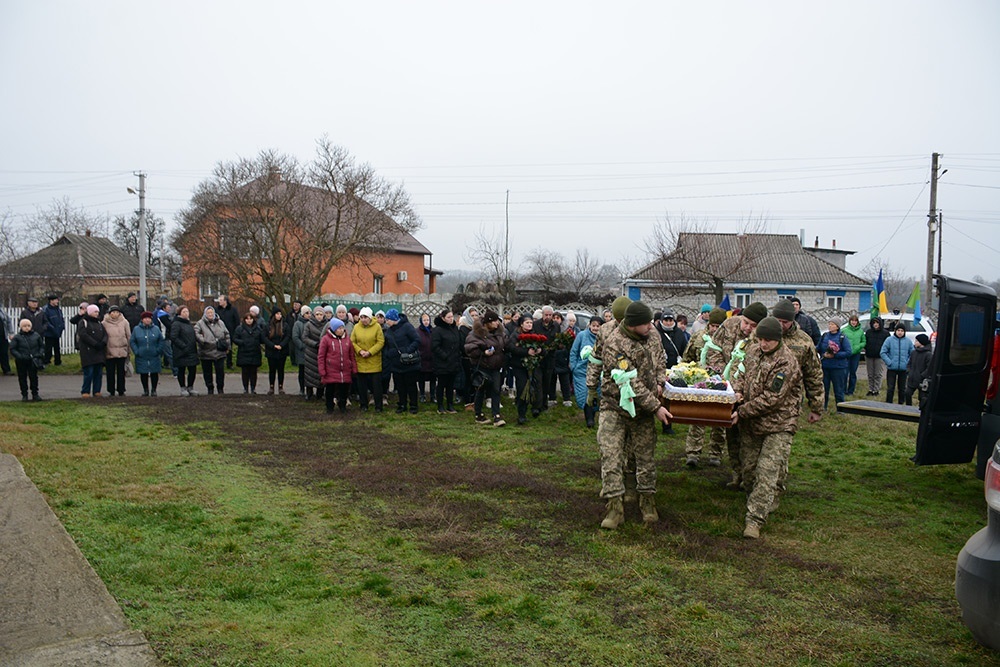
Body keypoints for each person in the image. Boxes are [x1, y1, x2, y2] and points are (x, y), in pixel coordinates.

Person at [588, 300, 671, 529]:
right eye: (646, 323)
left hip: (642, 411)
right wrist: (656, 407)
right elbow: (630, 383)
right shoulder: (615, 344)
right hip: (615, 406)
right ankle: (615, 507)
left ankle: (647, 501)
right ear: (633, 324)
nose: (651, 327)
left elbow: (661, 359)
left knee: (645, 457)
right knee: (611, 454)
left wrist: (661, 381)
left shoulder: (652, 334)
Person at [732, 317, 804, 539]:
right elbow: (742, 373)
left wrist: (742, 411)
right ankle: (764, 498)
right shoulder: (753, 351)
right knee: (750, 470)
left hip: (779, 423)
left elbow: (773, 398)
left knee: (767, 471)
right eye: (760, 339)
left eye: (768, 340)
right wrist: (737, 391)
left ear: (778, 339)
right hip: (753, 421)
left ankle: (754, 520)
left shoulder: (786, 362)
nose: (763, 344)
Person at [705, 301, 768, 487]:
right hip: (726, 389)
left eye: (753, 325)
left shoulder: (762, 337)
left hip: (749, 394)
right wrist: (723, 372)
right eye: (746, 322)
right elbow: (714, 349)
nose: (748, 328)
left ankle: (751, 477)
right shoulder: (729, 324)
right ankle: (737, 473)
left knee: (748, 438)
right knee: (731, 435)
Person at [681, 307, 728, 466]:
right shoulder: (699, 337)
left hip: (721, 386)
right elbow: (687, 358)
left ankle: (715, 453)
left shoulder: (727, 341)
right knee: (697, 418)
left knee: (720, 421)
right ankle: (693, 453)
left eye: (718, 326)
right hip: (700, 384)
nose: (715, 329)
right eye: (713, 325)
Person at [770, 299, 825, 425]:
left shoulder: (803, 341)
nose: (781, 325)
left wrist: (816, 407)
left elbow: (814, 374)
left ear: (792, 321)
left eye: (785, 322)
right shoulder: (761, 335)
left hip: (789, 402)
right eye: (778, 321)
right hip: (759, 402)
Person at [464, 310, 507, 426]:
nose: (497, 323)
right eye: (494, 321)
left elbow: (505, 344)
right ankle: (478, 414)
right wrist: (482, 352)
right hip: (483, 366)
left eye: (497, 321)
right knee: (481, 389)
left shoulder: (500, 332)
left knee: (496, 389)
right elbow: (469, 348)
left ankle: (496, 415)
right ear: (488, 322)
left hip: (496, 366)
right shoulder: (476, 333)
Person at [507, 314, 544, 425]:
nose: (529, 325)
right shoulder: (516, 334)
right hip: (519, 366)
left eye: (531, 323)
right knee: (522, 388)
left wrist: (539, 351)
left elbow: (543, 348)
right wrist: (525, 352)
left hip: (533, 366)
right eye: (527, 322)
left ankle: (535, 407)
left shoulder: (534, 334)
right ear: (521, 324)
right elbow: (511, 348)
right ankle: (521, 414)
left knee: (536, 385)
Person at [384, 308, 422, 414]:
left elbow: (417, 340)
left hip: (409, 362)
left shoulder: (407, 327)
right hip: (396, 363)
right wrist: (388, 354)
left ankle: (413, 405)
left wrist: (407, 351)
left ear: (394, 319)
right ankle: (402, 404)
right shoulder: (389, 331)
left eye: (388, 319)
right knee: (400, 386)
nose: (386, 322)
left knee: (411, 385)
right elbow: (387, 345)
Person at [318, 317, 357, 414]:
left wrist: (354, 367)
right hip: (331, 370)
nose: (341, 330)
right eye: (338, 328)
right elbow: (321, 356)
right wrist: (322, 370)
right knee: (330, 390)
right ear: (334, 329)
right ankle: (329, 406)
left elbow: (351, 355)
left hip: (345, 370)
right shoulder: (325, 339)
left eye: (342, 328)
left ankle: (342, 405)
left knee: (344, 390)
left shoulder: (347, 340)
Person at [570, 315, 603, 428]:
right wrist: (573, 367)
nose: (595, 328)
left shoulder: (604, 338)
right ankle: (588, 418)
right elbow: (574, 351)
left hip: (598, 371)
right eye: (593, 325)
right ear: (589, 325)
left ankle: (591, 418)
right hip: (581, 371)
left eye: (598, 326)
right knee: (584, 394)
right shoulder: (581, 336)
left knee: (595, 394)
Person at [351, 306, 385, 412]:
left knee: (376, 386)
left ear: (370, 317)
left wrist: (370, 352)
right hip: (361, 360)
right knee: (361, 385)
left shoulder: (377, 327)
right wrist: (360, 351)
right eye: (361, 317)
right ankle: (363, 405)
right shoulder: (356, 327)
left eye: (365, 317)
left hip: (373, 360)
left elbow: (380, 342)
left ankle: (378, 406)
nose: (363, 319)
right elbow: (352, 341)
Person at [430, 309, 461, 414]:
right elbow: (434, 346)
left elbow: (458, 343)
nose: (451, 319)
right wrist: (444, 356)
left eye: (452, 317)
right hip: (442, 363)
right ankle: (440, 406)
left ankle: (450, 404)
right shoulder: (437, 330)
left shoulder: (454, 328)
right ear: (443, 318)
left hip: (454, 361)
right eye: (448, 317)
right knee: (442, 384)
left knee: (451, 385)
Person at [194, 306, 230, 394]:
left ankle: (220, 388)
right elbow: (196, 333)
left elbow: (227, 334)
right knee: (207, 372)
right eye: (208, 313)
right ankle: (210, 388)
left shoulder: (220, 323)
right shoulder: (200, 323)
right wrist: (204, 341)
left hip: (219, 352)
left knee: (220, 372)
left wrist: (228, 346)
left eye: (212, 313)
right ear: (205, 314)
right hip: (206, 352)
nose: (210, 314)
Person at [819, 317, 852, 411]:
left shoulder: (842, 338)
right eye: (829, 324)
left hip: (838, 368)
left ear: (837, 326)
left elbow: (848, 352)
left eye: (832, 324)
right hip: (825, 366)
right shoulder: (825, 336)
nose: (830, 326)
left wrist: (835, 355)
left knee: (839, 389)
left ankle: (841, 409)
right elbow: (819, 347)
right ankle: (823, 407)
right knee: (824, 389)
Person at [130, 311, 164, 396]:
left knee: (154, 373)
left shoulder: (156, 329)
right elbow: (132, 341)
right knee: (143, 373)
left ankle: (154, 390)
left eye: (149, 318)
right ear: (142, 320)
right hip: (142, 355)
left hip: (154, 355)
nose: (147, 320)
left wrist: (158, 350)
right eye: (145, 318)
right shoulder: (136, 329)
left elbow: (161, 340)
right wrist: (137, 351)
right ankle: (145, 390)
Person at [10, 318, 44, 401]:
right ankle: (24, 394)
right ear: (21, 327)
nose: (27, 328)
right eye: (24, 326)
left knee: (34, 377)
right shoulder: (17, 337)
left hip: (33, 360)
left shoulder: (36, 335)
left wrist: (38, 354)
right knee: (22, 377)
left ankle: (35, 394)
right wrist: (20, 356)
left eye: (28, 326)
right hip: (21, 361)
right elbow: (13, 349)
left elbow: (42, 346)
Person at [78, 304, 108, 397]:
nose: (97, 313)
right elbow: (83, 335)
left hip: (99, 351)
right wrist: (95, 343)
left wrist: (103, 342)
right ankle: (85, 391)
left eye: (98, 312)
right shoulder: (83, 322)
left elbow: (105, 334)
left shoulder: (99, 323)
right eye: (95, 312)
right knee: (89, 373)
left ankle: (97, 391)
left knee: (98, 373)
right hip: (88, 352)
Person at [880, 323, 913, 405]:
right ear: (895, 331)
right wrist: (889, 362)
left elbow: (912, 354)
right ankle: (888, 404)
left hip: (903, 369)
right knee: (890, 388)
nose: (900, 332)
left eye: (902, 331)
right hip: (892, 368)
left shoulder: (908, 341)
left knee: (902, 388)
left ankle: (901, 404)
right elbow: (883, 352)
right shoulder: (889, 340)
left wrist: (907, 363)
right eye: (898, 330)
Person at [103, 305, 132, 397]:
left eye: (117, 312)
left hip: (121, 350)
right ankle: (111, 390)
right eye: (113, 312)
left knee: (121, 372)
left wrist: (128, 349)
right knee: (110, 372)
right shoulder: (104, 323)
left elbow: (128, 336)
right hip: (109, 351)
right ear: (109, 313)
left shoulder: (124, 322)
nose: (115, 314)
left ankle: (121, 389)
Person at [233, 311, 265, 394]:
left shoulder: (258, 329)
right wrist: (242, 342)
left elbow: (262, 339)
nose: (249, 320)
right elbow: (235, 338)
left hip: (255, 353)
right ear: (244, 320)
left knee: (253, 372)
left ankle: (253, 388)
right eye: (247, 319)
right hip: (244, 353)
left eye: (250, 319)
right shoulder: (239, 329)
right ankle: (245, 388)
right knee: (245, 372)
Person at [170, 306, 199, 396]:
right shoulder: (176, 323)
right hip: (181, 351)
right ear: (179, 313)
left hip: (191, 351)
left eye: (187, 311)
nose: (186, 313)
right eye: (184, 312)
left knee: (192, 369)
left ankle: (190, 387)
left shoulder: (189, 323)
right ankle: (182, 387)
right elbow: (174, 337)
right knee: (181, 370)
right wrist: (183, 346)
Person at [533, 306, 559, 407]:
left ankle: (544, 404)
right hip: (538, 358)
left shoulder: (556, 326)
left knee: (546, 383)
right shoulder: (536, 325)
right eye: (546, 315)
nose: (547, 317)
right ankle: (536, 406)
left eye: (550, 315)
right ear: (542, 315)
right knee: (538, 382)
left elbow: (557, 339)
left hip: (550, 358)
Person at [302, 307, 328, 400]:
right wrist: (315, 344)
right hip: (311, 352)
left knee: (321, 372)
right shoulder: (308, 325)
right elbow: (305, 338)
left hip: (323, 351)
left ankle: (320, 394)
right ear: (314, 315)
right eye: (317, 314)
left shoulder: (327, 324)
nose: (319, 316)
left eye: (321, 314)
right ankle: (309, 393)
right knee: (309, 373)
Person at [264, 308, 292, 394]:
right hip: (271, 350)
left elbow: (288, 336)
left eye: (280, 314)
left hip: (281, 350)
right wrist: (273, 346)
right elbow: (264, 337)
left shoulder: (285, 325)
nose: (279, 316)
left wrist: (281, 345)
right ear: (273, 315)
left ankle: (281, 386)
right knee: (272, 370)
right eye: (277, 314)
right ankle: (271, 386)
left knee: (281, 369)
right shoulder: (268, 325)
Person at [904, 333, 933, 407]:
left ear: (921, 343)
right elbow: (909, 363)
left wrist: (922, 375)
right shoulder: (914, 352)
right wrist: (909, 371)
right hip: (912, 379)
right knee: (907, 393)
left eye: (917, 341)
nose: (915, 342)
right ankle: (908, 408)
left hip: (922, 380)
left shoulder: (928, 354)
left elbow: (929, 368)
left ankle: (921, 410)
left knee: (922, 397)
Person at [864, 316, 890, 396]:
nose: (875, 324)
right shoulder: (868, 332)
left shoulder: (885, 333)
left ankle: (876, 390)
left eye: (877, 323)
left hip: (879, 357)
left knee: (878, 374)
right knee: (870, 374)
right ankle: (870, 389)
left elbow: (888, 345)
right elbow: (865, 343)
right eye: (874, 323)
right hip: (869, 356)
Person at [841, 314, 866, 396]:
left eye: (855, 321)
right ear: (850, 321)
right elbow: (840, 340)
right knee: (845, 373)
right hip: (846, 354)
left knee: (853, 373)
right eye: (852, 321)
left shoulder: (861, 331)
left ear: (857, 322)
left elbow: (864, 342)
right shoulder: (844, 330)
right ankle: (843, 390)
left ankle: (851, 391)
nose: (854, 322)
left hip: (856, 354)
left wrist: (858, 346)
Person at [291, 305, 311, 395]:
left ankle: (309, 390)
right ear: (303, 314)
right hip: (301, 351)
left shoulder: (312, 323)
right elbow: (295, 337)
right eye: (307, 313)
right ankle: (302, 389)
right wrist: (302, 346)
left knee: (310, 372)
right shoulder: (297, 324)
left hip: (311, 351)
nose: (309, 315)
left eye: (310, 313)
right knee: (302, 371)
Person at [216, 295, 240, 369]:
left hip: (230, 332)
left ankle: (229, 363)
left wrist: (236, 331)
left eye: (221, 300)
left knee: (229, 348)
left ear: (225, 301)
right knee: (219, 347)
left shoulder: (232, 310)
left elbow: (237, 321)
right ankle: (219, 363)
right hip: (219, 332)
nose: (219, 302)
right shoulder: (217, 310)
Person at [416, 312, 436, 403]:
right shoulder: (417, 332)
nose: (426, 322)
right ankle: (422, 395)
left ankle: (433, 395)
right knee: (421, 379)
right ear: (421, 321)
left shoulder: (433, 331)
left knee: (433, 379)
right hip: (422, 359)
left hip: (432, 359)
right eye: (424, 320)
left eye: (427, 320)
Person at [42, 294, 65, 366]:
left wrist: (62, 326)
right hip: (49, 332)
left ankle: (58, 361)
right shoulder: (46, 309)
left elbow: (61, 318)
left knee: (57, 347)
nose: (57, 301)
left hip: (57, 331)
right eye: (56, 300)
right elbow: (46, 321)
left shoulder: (58, 309)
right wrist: (52, 328)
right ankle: (46, 361)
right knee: (48, 348)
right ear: (51, 301)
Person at [0, 306, 12, 376]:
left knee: (4, 353)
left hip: (3, 336)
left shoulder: (2, 311)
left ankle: (6, 370)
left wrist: (11, 333)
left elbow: (8, 321)